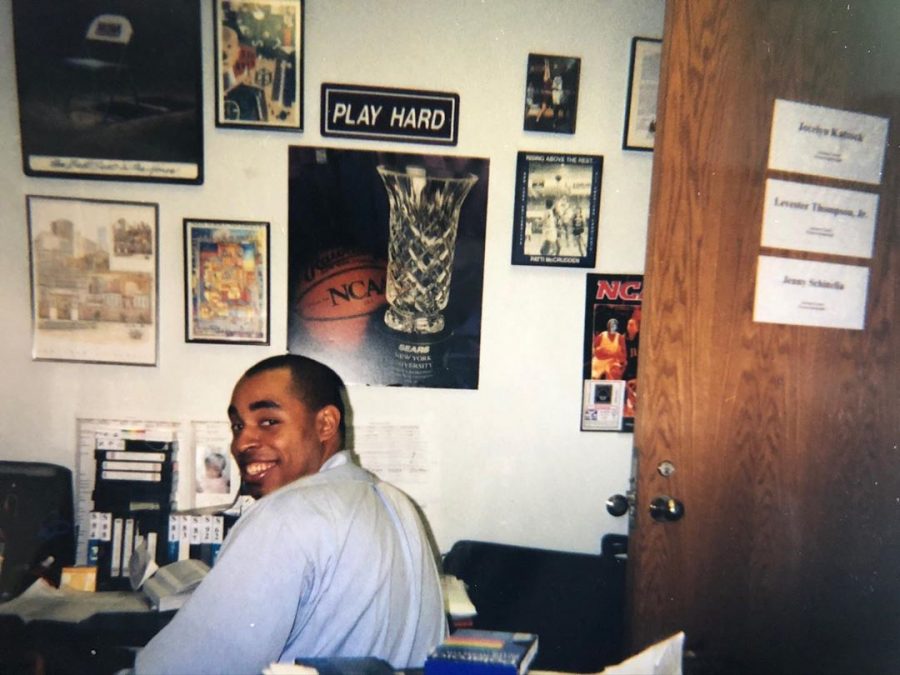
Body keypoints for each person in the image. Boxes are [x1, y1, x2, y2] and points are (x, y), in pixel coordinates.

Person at [134, 354, 445, 674]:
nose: (242, 442)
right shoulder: (398, 505)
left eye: (268, 421)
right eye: (237, 425)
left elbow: (185, 669)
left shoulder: (285, 515)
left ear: (325, 424)